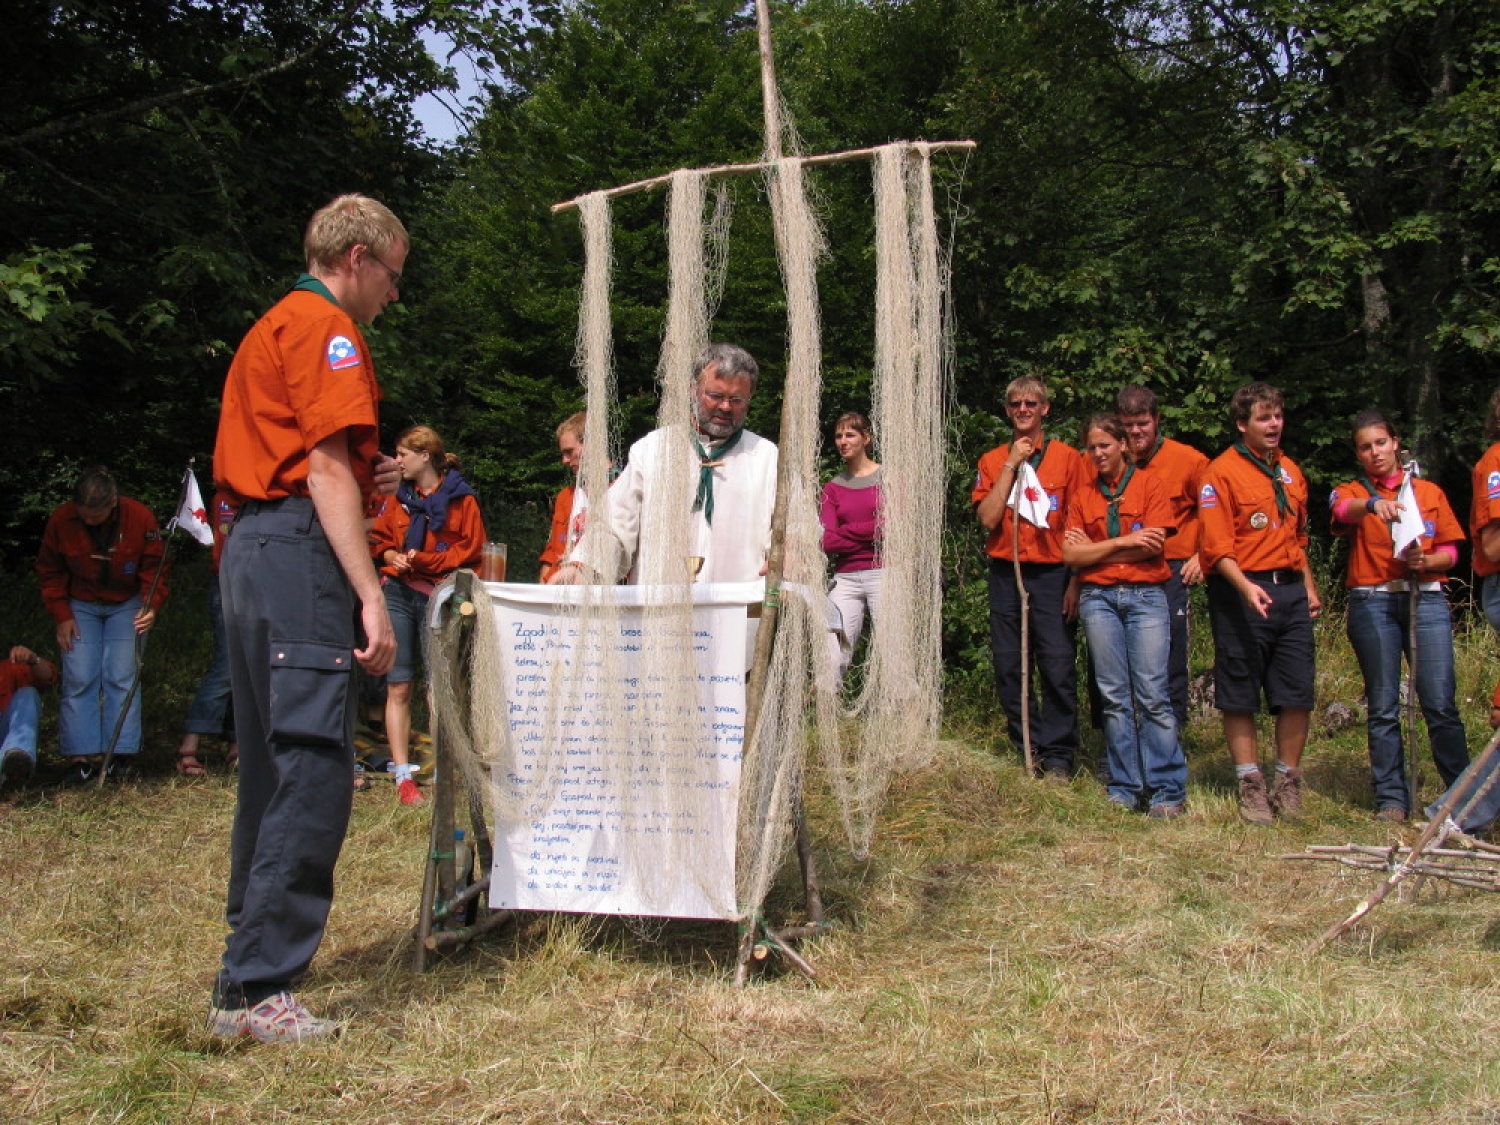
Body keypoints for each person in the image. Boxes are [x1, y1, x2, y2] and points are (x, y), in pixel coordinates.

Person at [207, 193, 404, 1043]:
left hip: (250, 549)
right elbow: (321, 471)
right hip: (297, 552)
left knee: (270, 760)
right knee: (314, 762)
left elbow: (310, 455)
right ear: (357, 257)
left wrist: (371, 475)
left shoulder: (269, 324)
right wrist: (368, 592)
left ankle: (247, 956)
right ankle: (258, 988)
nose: (395, 294)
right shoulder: (330, 330)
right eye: (394, 276)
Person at [1331, 410, 1469, 822]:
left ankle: (1462, 795)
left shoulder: (1427, 491)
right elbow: (1341, 512)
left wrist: (1427, 559)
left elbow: (1454, 551)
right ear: (1358, 454)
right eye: (1365, 447)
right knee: (1384, 704)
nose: (1374, 452)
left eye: (1380, 443)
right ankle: (1391, 797)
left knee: (1440, 702)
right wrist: (1375, 505)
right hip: (1373, 600)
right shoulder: (1352, 490)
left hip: (1424, 598)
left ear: (1396, 443)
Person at [1198, 382, 1321, 825]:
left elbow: (1297, 537)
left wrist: (1306, 585)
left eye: (1278, 416)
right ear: (1242, 423)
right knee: (1240, 692)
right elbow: (1215, 548)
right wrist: (1246, 587)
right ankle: (1250, 784)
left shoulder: (1289, 469)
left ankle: (1288, 781)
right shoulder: (1221, 473)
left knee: (1296, 691)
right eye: (1264, 418)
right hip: (1241, 593)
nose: (1274, 425)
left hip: (1288, 589)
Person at [555, 343, 777, 586]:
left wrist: (793, 552)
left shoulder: (767, 458)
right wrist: (584, 566)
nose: (725, 406)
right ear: (694, 390)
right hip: (658, 613)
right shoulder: (652, 450)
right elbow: (615, 526)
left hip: (738, 612)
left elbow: (794, 528)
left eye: (736, 399)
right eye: (715, 395)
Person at [1062, 413, 1188, 817]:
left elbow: (1153, 547)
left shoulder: (1150, 486)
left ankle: (1167, 787)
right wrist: (1125, 540)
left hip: (1146, 597)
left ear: (1122, 446)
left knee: (1153, 693)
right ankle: (1125, 785)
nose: (1097, 453)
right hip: (1098, 598)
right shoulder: (1083, 496)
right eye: (1092, 447)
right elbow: (1070, 555)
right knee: (1113, 695)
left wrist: (1098, 547)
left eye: (1105, 446)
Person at [972, 375, 1086, 779]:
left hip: (1054, 572)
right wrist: (1010, 464)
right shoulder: (991, 460)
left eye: (1031, 404)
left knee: (1056, 664)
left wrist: (1075, 580)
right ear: (1007, 410)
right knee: (1010, 665)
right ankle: (1027, 748)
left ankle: (1058, 755)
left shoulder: (1069, 459)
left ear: (1044, 409)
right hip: (1008, 572)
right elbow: (988, 519)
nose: (1023, 410)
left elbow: (1079, 522)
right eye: (1016, 404)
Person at [367, 424, 485, 805]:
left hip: (439, 595)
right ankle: (404, 778)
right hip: (398, 594)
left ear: (425, 456)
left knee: (438, 689)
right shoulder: (396, 499)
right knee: (398, 685)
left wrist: (427, 560)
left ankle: (442, 770)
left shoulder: (461, 500)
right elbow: (381, 543)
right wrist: (392, 556)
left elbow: (471, 551)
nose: (396, 460)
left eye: (403, 454)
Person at [36, 466, 169, 783]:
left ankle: (117, 756)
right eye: (84, 517)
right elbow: (50, 570)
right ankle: (79, 759)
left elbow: (155, 567)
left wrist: (151, 605)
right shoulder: (61, 520)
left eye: (95, 517)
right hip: (80, 604)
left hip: (127, 604)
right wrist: (62, 614)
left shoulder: (139, 517)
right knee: (79, 675)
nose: (89, 522)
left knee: (122, 676)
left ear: (112, 503)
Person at [1116, 386, 1209, 729]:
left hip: (1172, 569)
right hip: (1120, 566)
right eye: (1128, 425)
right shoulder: (1110, 458)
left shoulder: (1189, 461)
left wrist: (1203, 554)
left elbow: (1214, 511)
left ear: (1156, 420)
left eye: (1142, 423)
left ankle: (1172, 739)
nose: (1135, 432)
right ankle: (1124, 740)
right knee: (1119, 660)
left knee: (1169, 657)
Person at [175, 491, 241, 778]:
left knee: (252, 667)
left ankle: (237, 744)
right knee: (227, 665)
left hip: (261, 585)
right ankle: (190, 744)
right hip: (228, 583)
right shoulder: (225, 498)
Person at [821, 411, 883, 685]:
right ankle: (825, 717)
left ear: (866, 439)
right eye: (838, 436)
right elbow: (827, 540)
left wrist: (847, 530)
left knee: (895, 655)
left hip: (884, 572)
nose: (843, 441)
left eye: (850, 435)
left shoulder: (887, 478)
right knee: (834, 653)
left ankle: (909, 717)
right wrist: (870, 530)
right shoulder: (833, 488)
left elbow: (893, 529)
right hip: (845, 576)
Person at [1, 645, 57, 789]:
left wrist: (33, 659)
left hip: (6, 743)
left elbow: (49, 676)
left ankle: (15, 764)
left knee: (28, 694)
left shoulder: (8, 669)